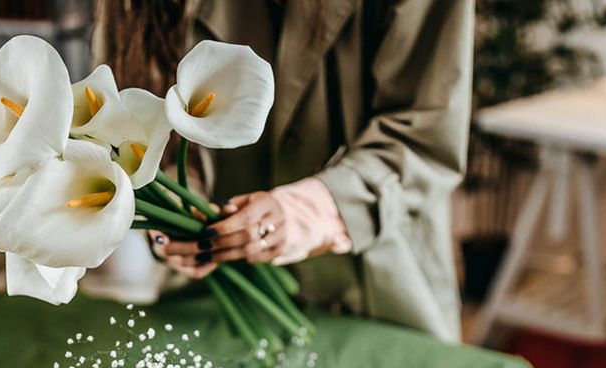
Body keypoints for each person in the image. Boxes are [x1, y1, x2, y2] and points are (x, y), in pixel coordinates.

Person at [98, 0, 473, 341]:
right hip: (214, 296)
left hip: (379, 295)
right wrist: (176, 208)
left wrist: (306, 213)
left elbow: (426, 135)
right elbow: (140, 117)